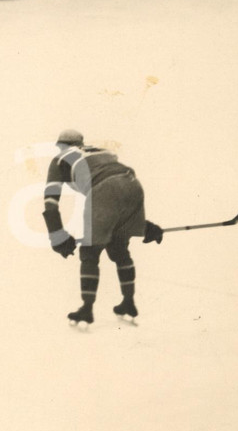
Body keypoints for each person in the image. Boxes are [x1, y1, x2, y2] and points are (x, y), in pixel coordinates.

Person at [43, 129, 164, 326]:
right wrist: (141, 225)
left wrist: (57, 235)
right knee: (119, 248)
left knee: (90, 252)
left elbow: (50, 201)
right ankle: (128, 302)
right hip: (132, 182)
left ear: (61, 145)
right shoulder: (101, 151)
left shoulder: (60, 159)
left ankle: (87, 309)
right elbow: (119, 184)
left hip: (104, 188)